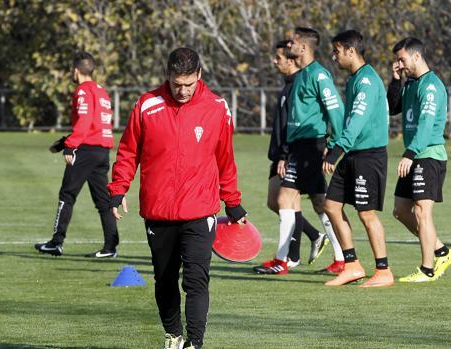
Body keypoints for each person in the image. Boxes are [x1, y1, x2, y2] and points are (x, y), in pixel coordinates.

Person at [108, 48, 247, 349]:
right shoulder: (147, 105)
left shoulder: (217, 108)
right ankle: (174, 334)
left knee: (196, 280)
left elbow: (225, 159)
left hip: (200, 211)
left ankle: (194, 343)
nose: (182, 91)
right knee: (165, 280)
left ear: (199, 75)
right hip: (159, 212)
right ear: (167, 76)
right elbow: (129, 152)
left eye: (188, 84)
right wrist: (118, 190)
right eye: (176, 84)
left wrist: (232, 203)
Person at [254, 27, 344, 275]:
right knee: (319, 203)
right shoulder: (302, 75)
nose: (289, 44)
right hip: (298, 147)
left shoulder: (319, 75)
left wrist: (335, 145)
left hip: (310, 146)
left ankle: (282, 261)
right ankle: (341, 258)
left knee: (285, 199)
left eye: (292, 41)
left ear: (303, 47)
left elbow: (335, 111)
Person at [321, 30, 393, 288]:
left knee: (366, 214)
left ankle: (383, 270)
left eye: (337, 51)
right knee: (331, 206)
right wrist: (334, 144)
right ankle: (352, 265)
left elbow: (358, 119)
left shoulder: (366, 81)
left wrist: (337, 149)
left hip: (369, 155)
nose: (334, 56)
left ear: (350, 51)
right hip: (352, 152)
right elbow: (348, 120)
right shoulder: (354, 80)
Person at [34, 51, 119, 258]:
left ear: (75, 70)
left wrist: (71, 146)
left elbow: (85, 119)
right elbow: (97, 123)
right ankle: (110, 247)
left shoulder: (83, 90)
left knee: (67, 195)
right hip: (102, 151)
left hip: (85, 150)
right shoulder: (102, 92)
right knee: (103, 202)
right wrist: (65, 142)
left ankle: (56, 242)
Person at [387, 37, 451, 282]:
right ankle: (441, 251)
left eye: (402, 59)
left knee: (421, 211)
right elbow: (392, 106)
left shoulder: (431, 86)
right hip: (415, 154)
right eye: (397, 60)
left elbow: (426, 125)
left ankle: (427, 269)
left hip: (428, 156)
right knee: (400, 210)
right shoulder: (410, 84)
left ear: (417, 56)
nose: (399, 64)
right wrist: (395, 80)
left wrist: (410, 153)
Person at [266, 40, 328, 268]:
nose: (275, 61)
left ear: (291, 60)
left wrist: (285, 154)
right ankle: (313, 238)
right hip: (283, 153)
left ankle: (290, 257)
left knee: (301, 202)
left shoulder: (300, 84)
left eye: (279, 58)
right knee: (281, 202)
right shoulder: (289, 85)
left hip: (295, 153)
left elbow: (298, 124)